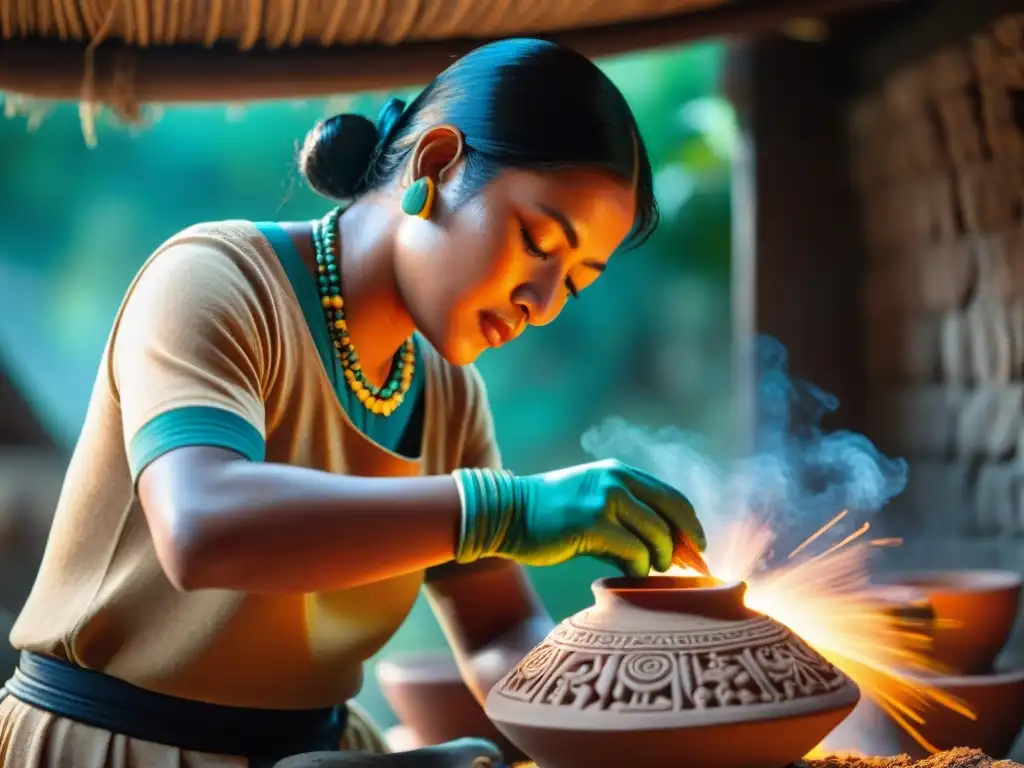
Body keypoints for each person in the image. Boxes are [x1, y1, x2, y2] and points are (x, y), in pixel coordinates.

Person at [0, 37, 705, 768]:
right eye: (536, 241)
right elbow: (202, 524)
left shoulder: (446, 394)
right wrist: (507, 511)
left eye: (575, 282)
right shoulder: (216, 280)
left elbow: (498, 635)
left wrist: (644, 700)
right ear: (436, 165)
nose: (543, 303)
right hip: (111, 748)